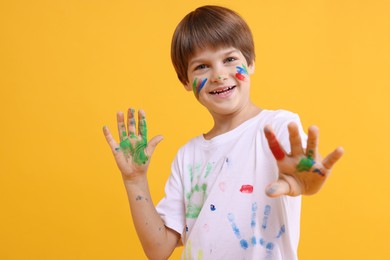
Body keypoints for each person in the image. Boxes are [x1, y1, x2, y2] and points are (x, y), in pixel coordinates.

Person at [102, 5, 344, 260]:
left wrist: (306, 180)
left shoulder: (277, 127)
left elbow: (303, 168)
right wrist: (134, 180)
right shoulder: (188, 156)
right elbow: (158, 249)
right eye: (201, 67)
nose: (218, 75)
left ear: (250, 63)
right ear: (185, 81)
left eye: (229, 59)